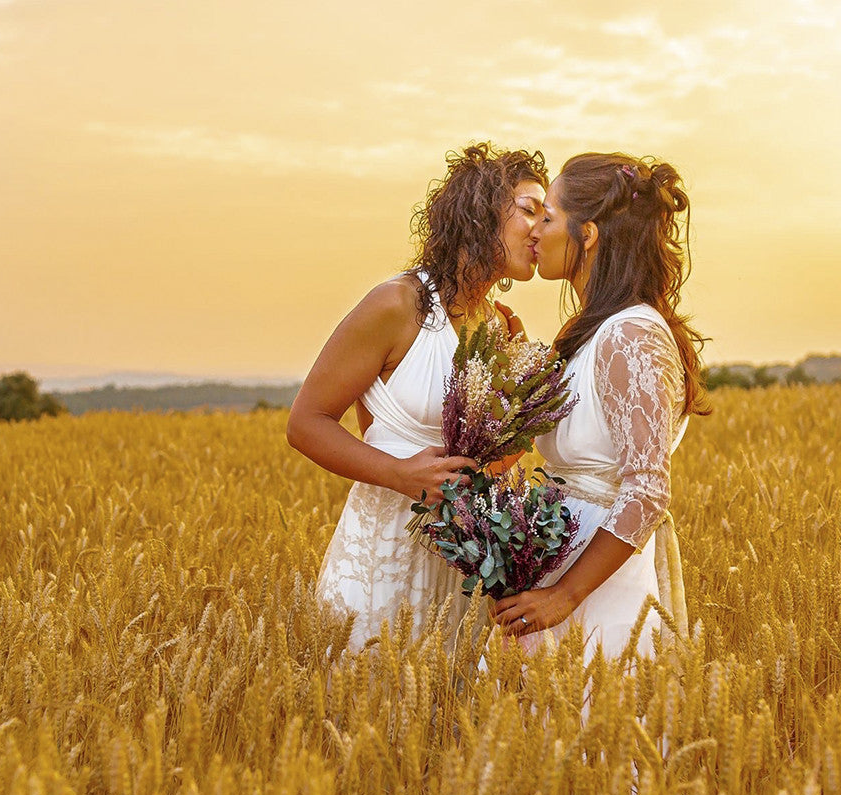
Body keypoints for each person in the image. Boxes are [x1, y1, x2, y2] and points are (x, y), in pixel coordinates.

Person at [287, 143, 549, 654]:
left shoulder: (499, 328)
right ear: (480, 211)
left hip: (463, 571)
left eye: (547, 215)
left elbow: (487, 463)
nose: (540, 228)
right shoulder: (397, 304)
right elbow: (305, 423)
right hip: (383, 557)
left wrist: (518, 413)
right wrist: (400, 474)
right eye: (528, 210)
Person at [492, 152, 710, 662]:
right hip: (562, 567)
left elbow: (648, 489)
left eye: (547, 218)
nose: (535, 232)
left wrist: (564, 595)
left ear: (587, 234)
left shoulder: (631, 333)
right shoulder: (592, 332)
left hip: (596, 591)